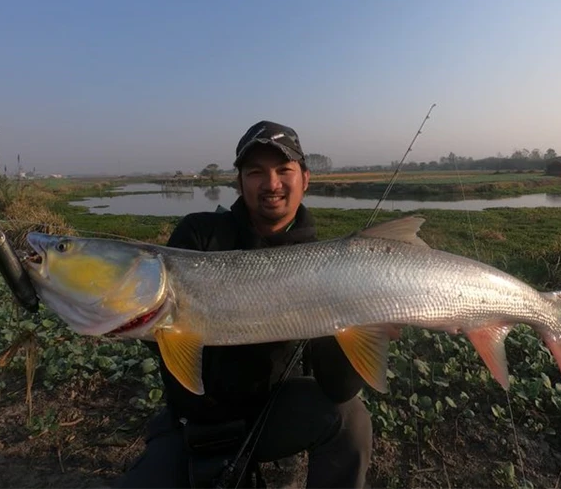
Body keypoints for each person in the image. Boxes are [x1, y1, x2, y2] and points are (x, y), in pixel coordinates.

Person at [114, 120, 373, 489]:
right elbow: (152, 318)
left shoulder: (324, 264)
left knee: (351, 419)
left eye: (284, 170)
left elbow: (338, 387)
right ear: (239, 182)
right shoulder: (199, 234)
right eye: (256, 173)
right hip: (194, 420)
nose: (271, 184)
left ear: (306, 178)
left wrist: (365, 322)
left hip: (272, 413)